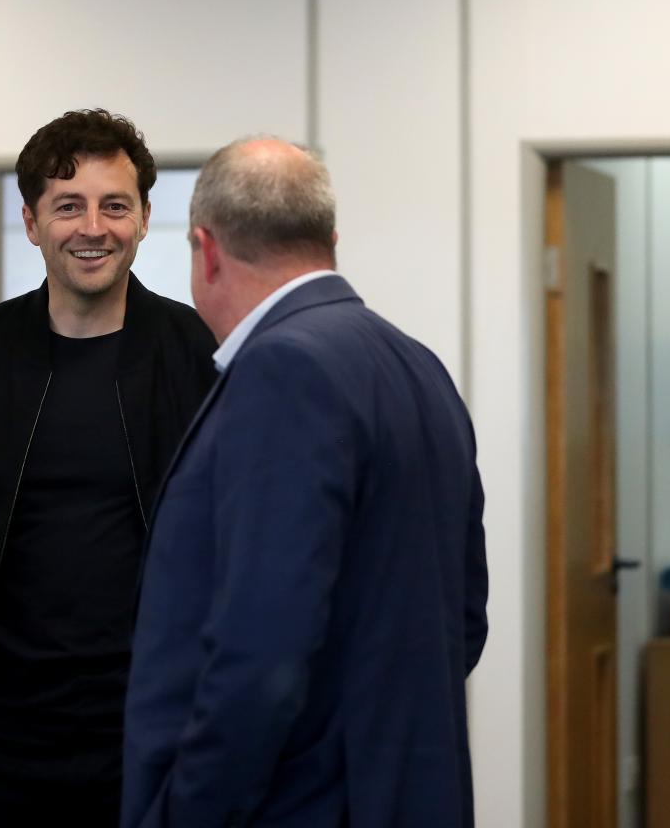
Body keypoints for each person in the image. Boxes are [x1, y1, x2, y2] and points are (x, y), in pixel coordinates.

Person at [0, 108, 217, 827]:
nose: (93, 227)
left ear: (147, 218)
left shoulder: (195, 353)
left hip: (151, 733)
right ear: (31, 223)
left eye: (114, 205)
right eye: (68, 206)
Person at [121, 138, 489, 828]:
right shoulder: (419, 367)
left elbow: (261, 658)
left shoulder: (282, 372)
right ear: (330, 240)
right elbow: (464, 619)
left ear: (206, 249)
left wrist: (185, 811)